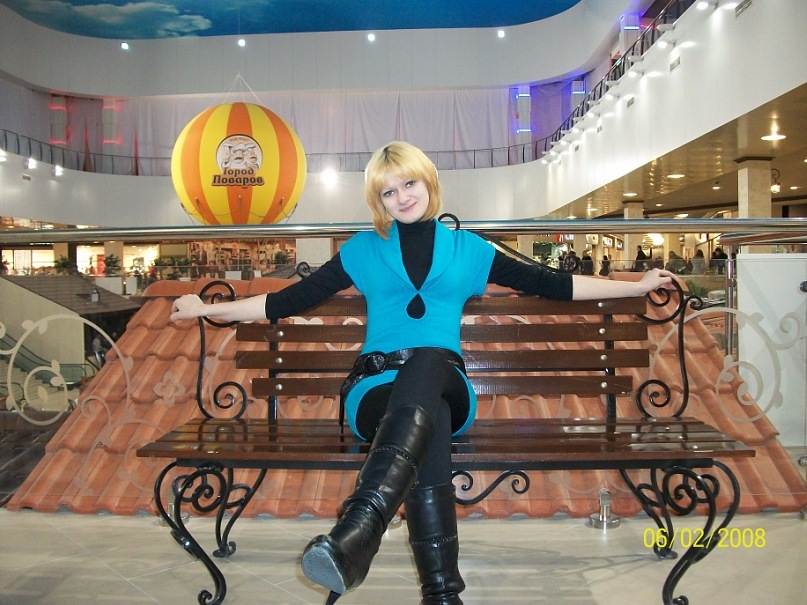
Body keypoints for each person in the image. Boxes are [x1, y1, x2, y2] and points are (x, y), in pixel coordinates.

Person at [170, 141, 675, 605]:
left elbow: (554, 283)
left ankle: (360, 526)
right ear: (378, 201)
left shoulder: (469, 250)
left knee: (429, 361)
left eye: (408, 183)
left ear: (428, 182)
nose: (402, 197)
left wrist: (634, 286)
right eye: (388, 192)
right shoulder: (362, 249)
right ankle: (441, 594)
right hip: (374, 390)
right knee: (425, 421)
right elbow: (286, 301)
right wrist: (205, 309)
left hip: (446, 381)